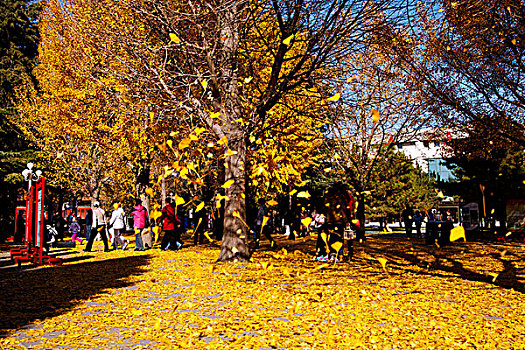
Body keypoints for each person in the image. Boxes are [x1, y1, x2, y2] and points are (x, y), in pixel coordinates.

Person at [318, 183, 354, 261]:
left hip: (330, 220)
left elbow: (324, 207)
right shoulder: (341, 197)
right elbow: (344, 210)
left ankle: (333, 254)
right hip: (340, 221)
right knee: (339, 237)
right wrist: (346, 220)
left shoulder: (328, 197)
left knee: (332, 237)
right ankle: (339, 254)